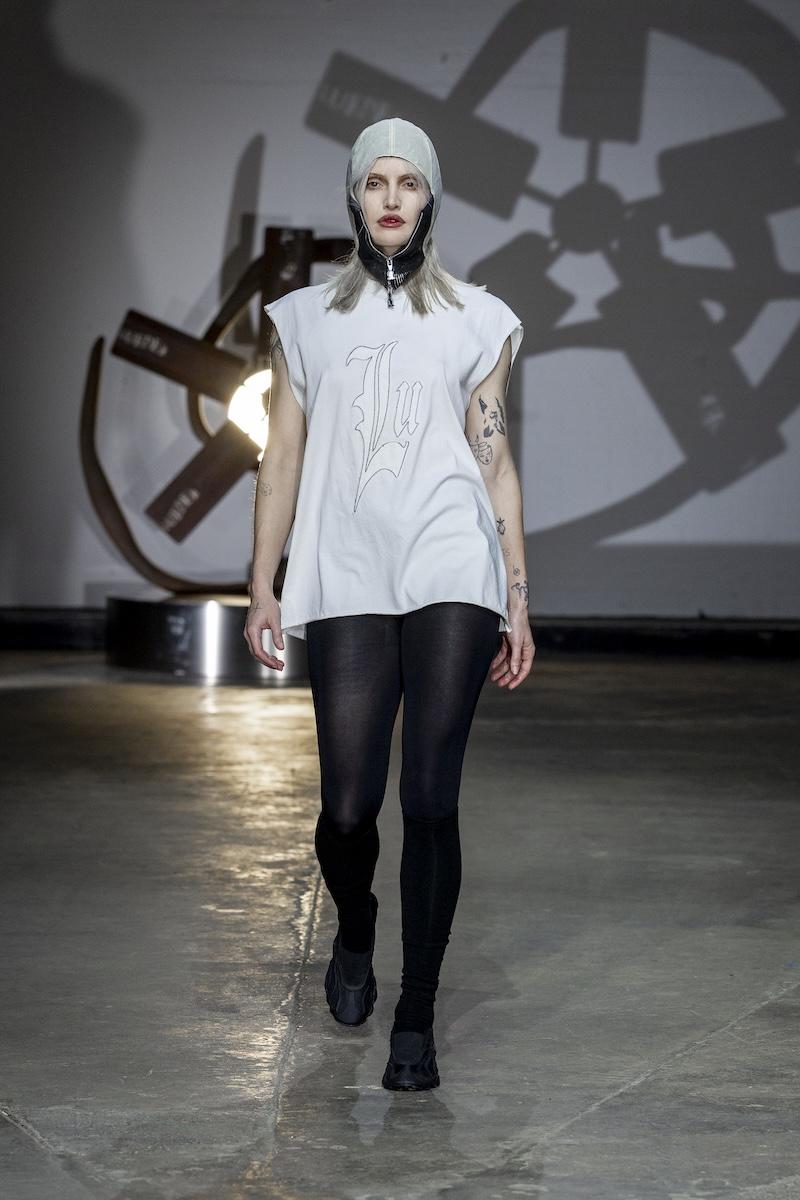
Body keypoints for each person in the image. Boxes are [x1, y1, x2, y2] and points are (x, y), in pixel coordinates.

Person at [244, 117, 535, 1091]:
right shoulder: (303, 320)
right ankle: (356, 924)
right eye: (376, 181)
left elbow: (494, 465)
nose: (392, 197)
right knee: (347, 808)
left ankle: (416, 1018)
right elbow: (281, 457)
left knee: (430, 797)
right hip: (346, 571)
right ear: (354, 197)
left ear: (430, 198)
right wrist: (262, 582)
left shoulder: (478, 319)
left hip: (452, 566)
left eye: (409, 181)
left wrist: (516, 598)